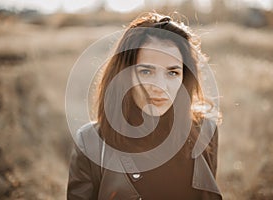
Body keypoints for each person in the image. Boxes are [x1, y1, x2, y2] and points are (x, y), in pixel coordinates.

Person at [67, 12, 222, 200]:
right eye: (146, 71)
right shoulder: (90, 142)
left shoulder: (205, 131)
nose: (160, 87)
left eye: (172, 73)